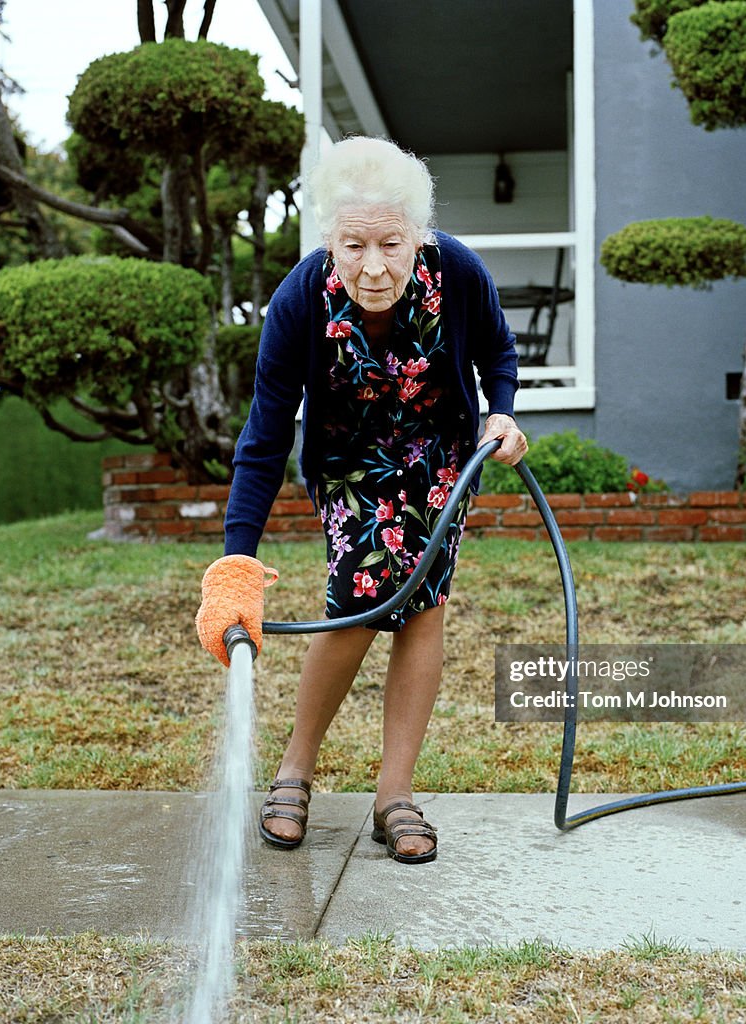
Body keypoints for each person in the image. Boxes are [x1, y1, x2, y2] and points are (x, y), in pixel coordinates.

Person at [196, 136, 527, 865]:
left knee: (425, 603)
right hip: (347, 465)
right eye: (354, 245)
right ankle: (296, 770)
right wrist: (235, 567)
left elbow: (499, 354)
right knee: (364, 585)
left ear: (419, 235)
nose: (373, 266)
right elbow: (263, 438)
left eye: (391, 243)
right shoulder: (297, 301)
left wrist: (501, 411)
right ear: (328, 240)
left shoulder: (458, 271)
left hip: (441, 456)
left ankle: (393, 796)